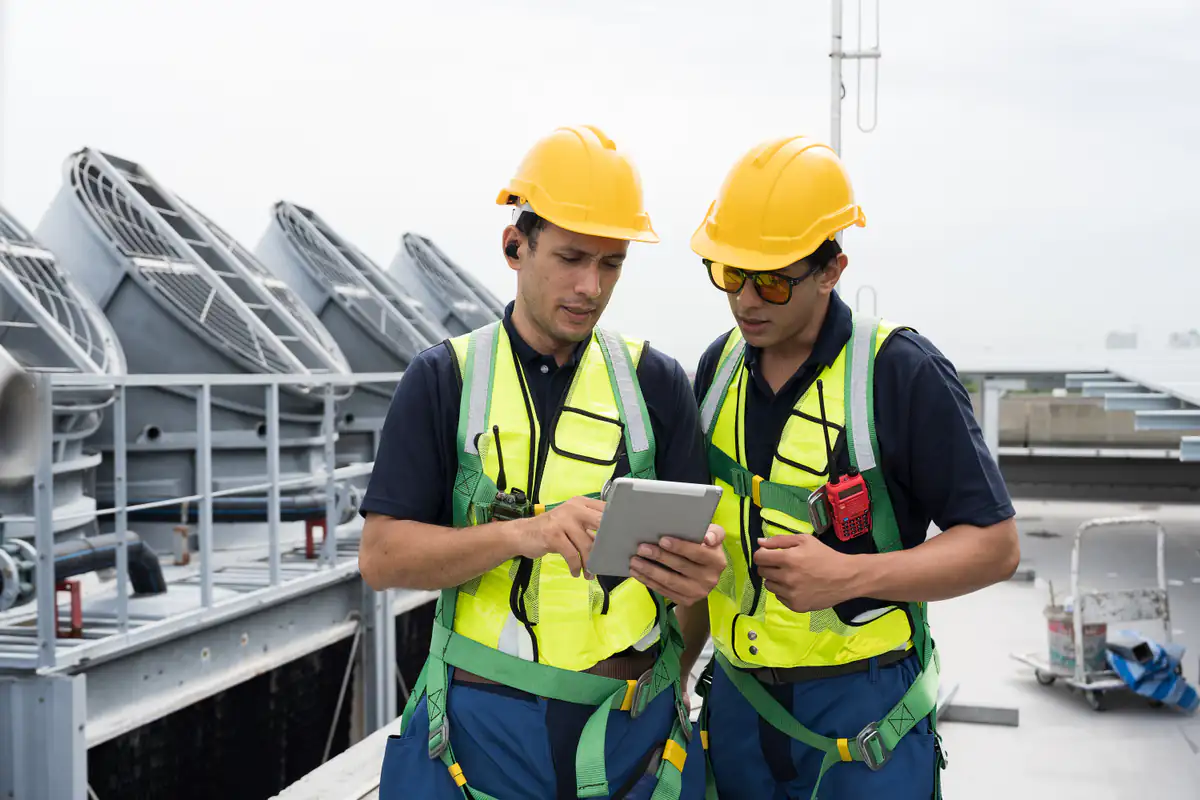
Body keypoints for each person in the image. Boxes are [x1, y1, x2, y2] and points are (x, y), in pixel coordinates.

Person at [358, 124, 725, 800]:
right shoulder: (445, 379)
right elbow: (382, 559)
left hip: (628, 732)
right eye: (570, 257)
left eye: (611, 263)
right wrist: (524, 533)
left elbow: (693, 584)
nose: (590, 285)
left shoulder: (656, 384)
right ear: (514, 246)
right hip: (481, 735)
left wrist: (700, 572)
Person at [680, 135, 1021, 800]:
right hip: (739, 709)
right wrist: (677, 677)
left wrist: (851, 576)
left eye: (774, 279)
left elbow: (996, 547)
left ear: (832, 269)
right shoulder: (716, 370)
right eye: (729, 273)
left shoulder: (899, 372)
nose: (748, 300)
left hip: (862, 720)